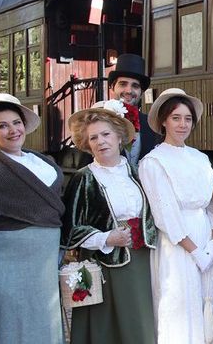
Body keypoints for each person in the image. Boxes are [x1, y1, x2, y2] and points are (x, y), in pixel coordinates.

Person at [0, 93, 65, 344]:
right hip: (5, 271)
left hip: (43, 272)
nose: (12, 130)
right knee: (12, 331)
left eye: (16, 123)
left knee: (44, 329)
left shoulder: (43, 162)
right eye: (2, 126)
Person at [62, 99, 157, 344]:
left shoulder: (136, 171)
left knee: (140, 319)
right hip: (104, 261)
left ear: (118, 137)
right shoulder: (84, 178)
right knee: (108, 327)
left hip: (142, 258)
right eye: (93, 138)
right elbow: (70, 229)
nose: (101, 141)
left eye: (105, 134)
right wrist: (106, 238)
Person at [138, 88, 213, 344]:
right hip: (178, 244)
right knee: (178, 305)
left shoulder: (200, 158)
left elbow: (211, 204)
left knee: (205, 304)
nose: (182, 124)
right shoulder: (154, 161)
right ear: (164, 120)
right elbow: (165, 215)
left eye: (187, 118)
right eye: (176, 117)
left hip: (205, 235)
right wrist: (195, 251)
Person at [107, 54, 159, 168]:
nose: (129, 90)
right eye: (123, 84)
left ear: (141, 93)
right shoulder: (98, 121)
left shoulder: (151, 124)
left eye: (135, 86)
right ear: (112, 88)